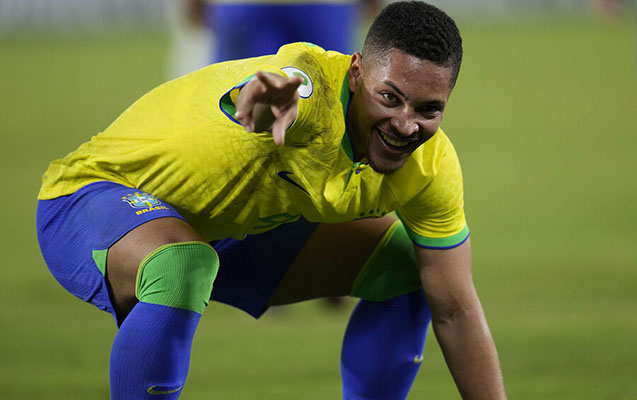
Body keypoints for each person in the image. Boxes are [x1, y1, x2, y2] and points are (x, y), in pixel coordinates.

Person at [36, 2, 507, 399]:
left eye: (428, 109)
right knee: (180, 262)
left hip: (227, 232)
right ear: (356, 72)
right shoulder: (309, 90)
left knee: (409, 267)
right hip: (91, 196)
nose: (405, 124)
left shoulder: (431, 168)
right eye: (390, 97)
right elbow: (276, 97)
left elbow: (456, 311)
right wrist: (266, 100)